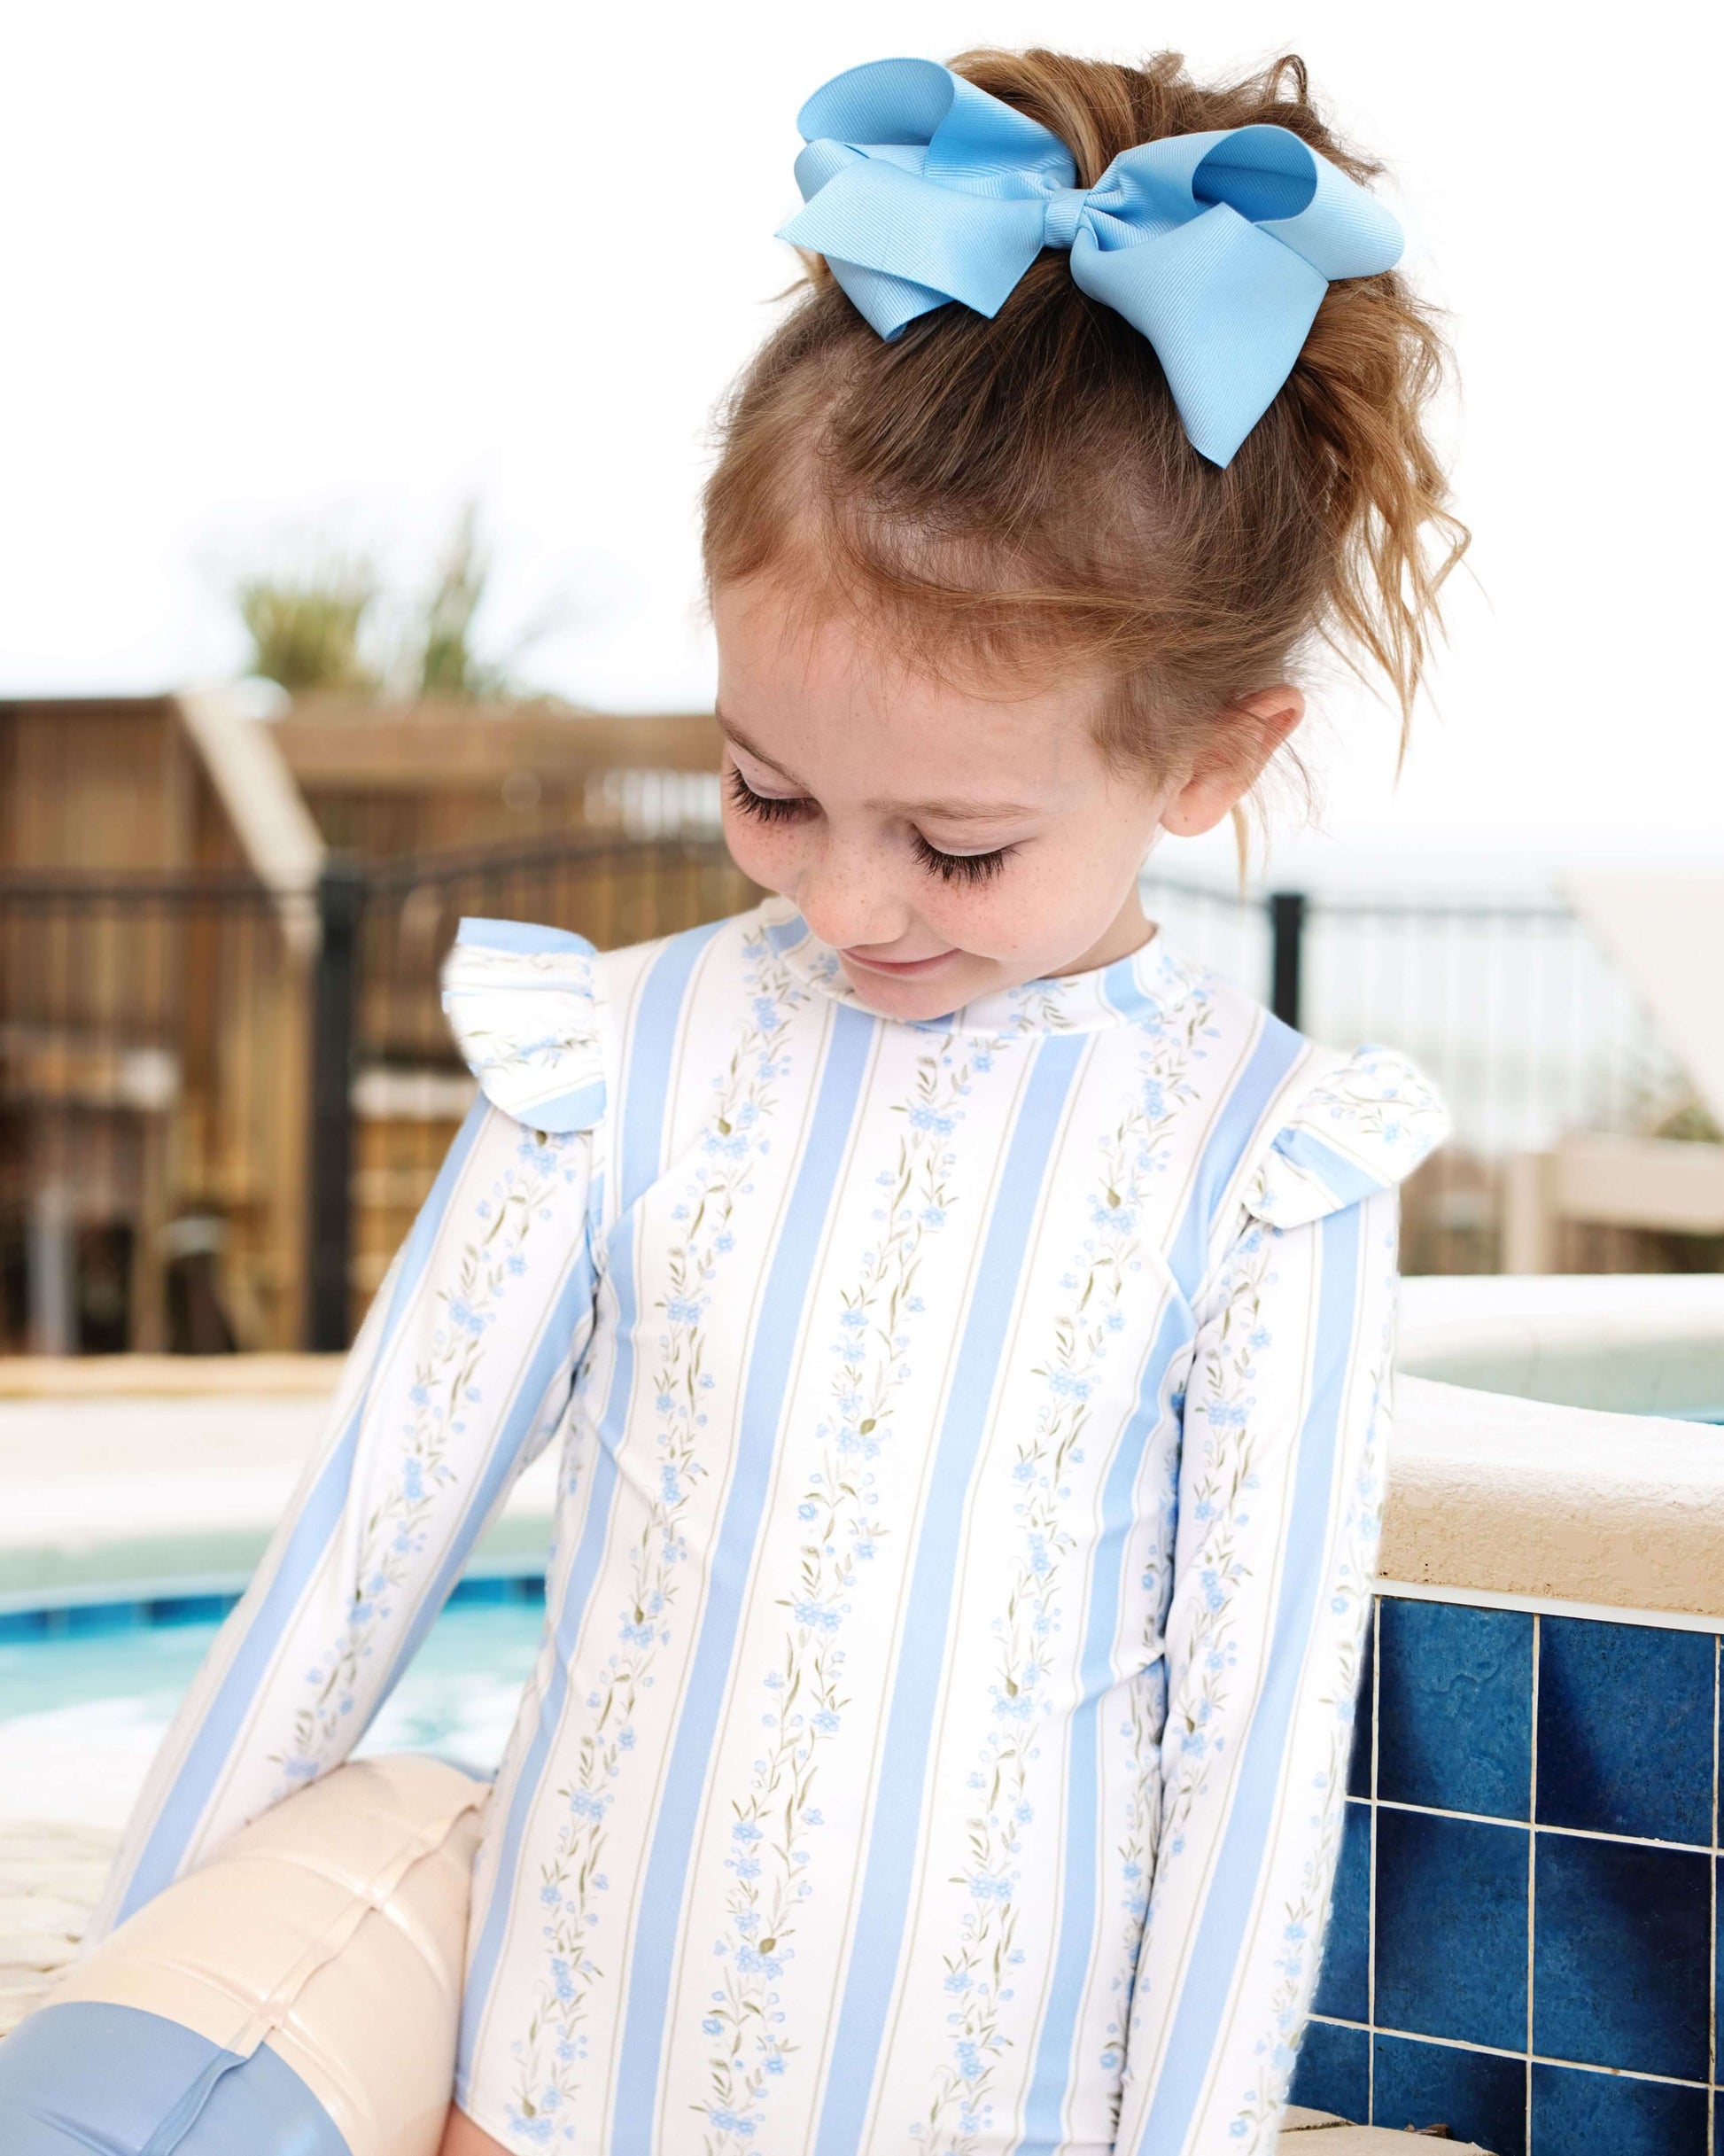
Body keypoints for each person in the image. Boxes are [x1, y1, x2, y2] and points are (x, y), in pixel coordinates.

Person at [90, 44, 1458, 2156]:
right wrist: (132, 2012)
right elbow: (340, 1583)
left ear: (1207, 760)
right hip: (541, 2110)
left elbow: (1254, 1771)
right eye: (767, 790)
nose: (842, 896)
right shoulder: (613, 1068)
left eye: (959, 844)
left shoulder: (1256, 1168)